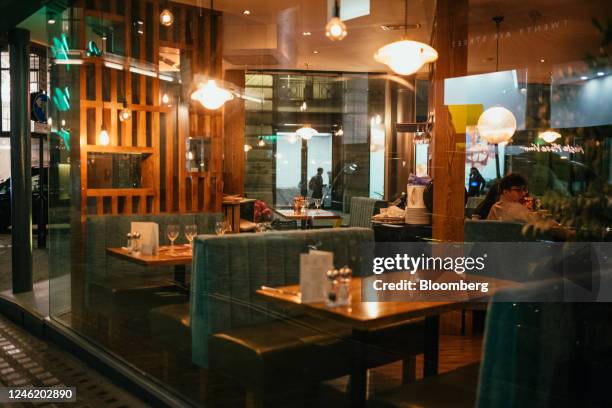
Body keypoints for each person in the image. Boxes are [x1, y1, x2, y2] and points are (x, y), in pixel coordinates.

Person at [487, 173, 575, 240]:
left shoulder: (495, 207)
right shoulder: (516, 208)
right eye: (517, 190)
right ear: (505, 191)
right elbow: (545, 224)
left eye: (523, 190)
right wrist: (570, 233)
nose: (522, 193)